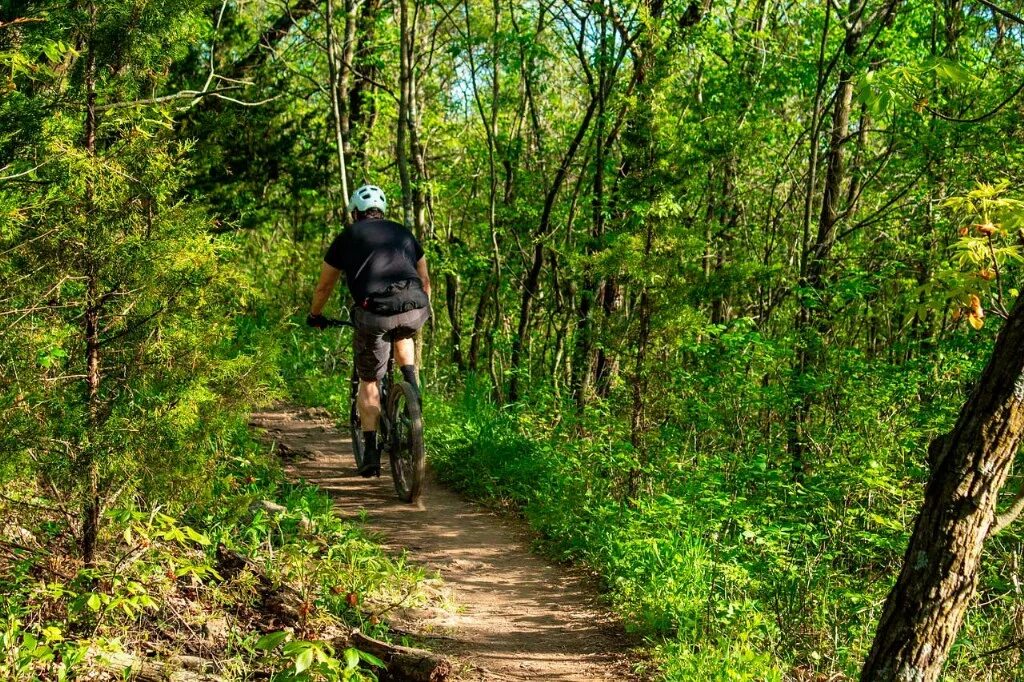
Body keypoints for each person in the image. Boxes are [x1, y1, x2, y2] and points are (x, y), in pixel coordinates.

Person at [307, 185, 431, 478]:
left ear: (355, 212)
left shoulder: (348, 236)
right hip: (415, 305)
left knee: (369, 380)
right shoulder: (403, 232)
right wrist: (423, 309)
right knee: (403, 331)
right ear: (382, 211)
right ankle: (411, 383)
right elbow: (424, 279)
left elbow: (325, 285)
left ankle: (372, 451)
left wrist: (315, 315)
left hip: (375, 313)